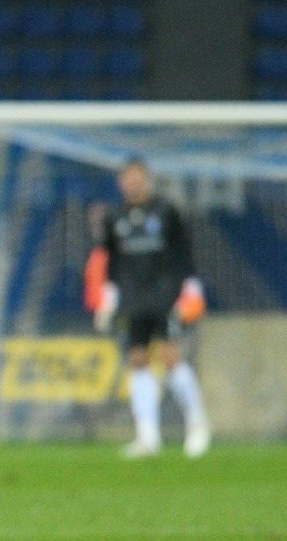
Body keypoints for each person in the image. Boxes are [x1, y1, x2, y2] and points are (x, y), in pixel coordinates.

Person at [89, 157, 211, 459]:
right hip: (133, 299)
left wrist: (191, 287)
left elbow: (183, 252)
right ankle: (147, 436)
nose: (133, 183)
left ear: (147, 179)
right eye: (127, 178)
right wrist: (108, 298)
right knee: (138, 359)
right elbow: (110, 261)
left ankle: (197, 423)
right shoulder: (114, 217)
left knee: (170, 355)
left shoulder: (166, 211)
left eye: (138, 177)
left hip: (165, 296)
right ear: (121, 183)